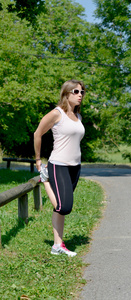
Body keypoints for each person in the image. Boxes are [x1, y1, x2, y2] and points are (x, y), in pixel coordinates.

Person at [34, 79, 85, 257]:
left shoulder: (78, 117)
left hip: (75, 167)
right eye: (76, 92)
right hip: (58, 165)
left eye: (82, 92)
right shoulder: (57, 114)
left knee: (59, 207)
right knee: (64, 207)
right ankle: (45, 179)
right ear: (66, 94)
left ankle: (57, 245)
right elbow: (37, 133)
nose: (80, 95)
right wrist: (38, 159)